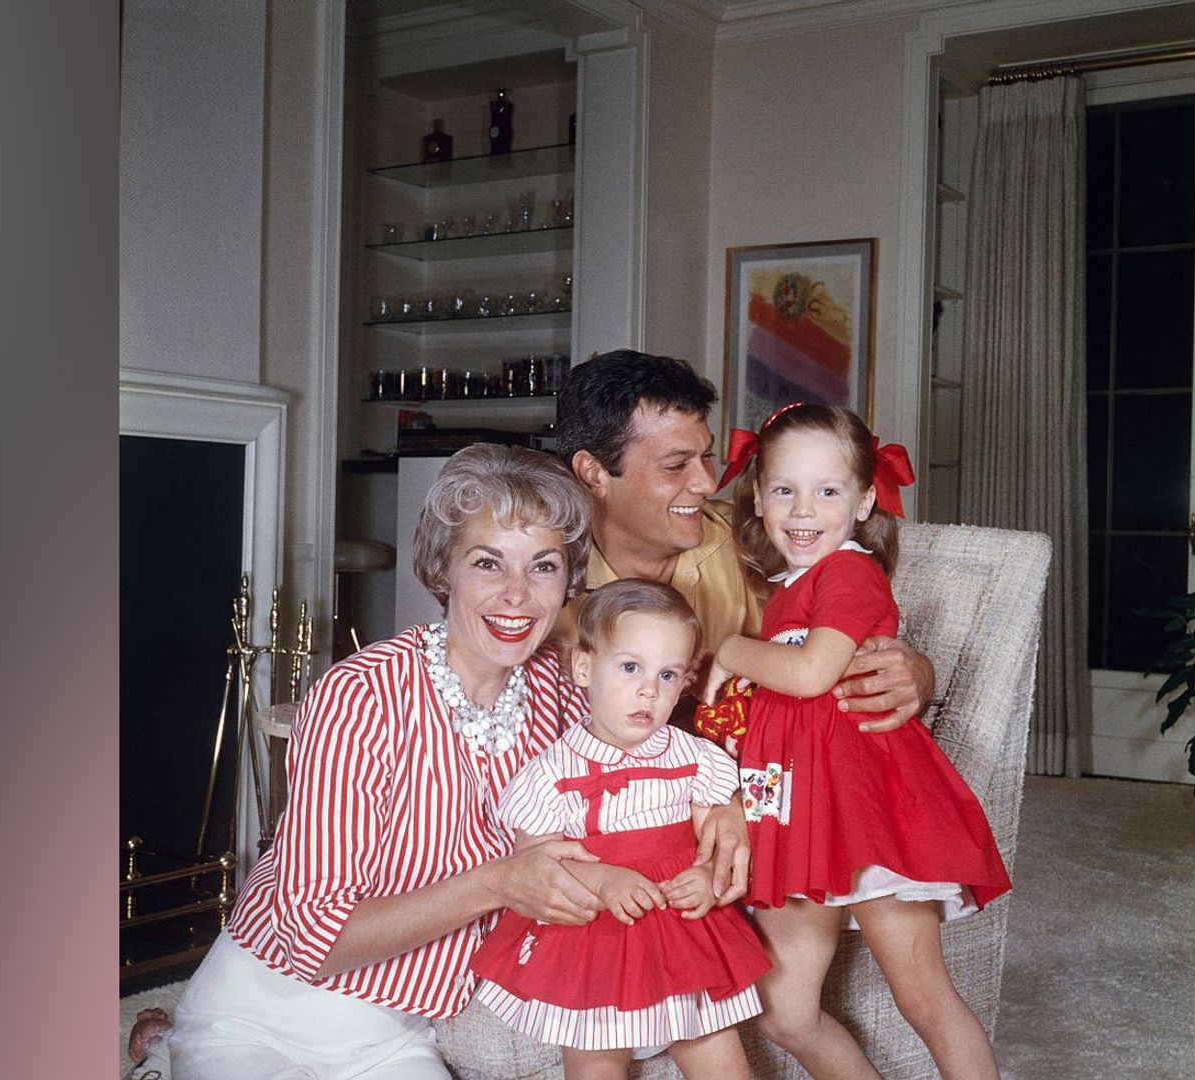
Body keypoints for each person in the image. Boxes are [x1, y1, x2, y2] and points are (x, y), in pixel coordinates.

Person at [150, 444, 610, 1079]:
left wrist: (720, 806)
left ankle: (158, 1047)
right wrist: (499, 882)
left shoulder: (559, 691)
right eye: (487, 562)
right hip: (264, 1015)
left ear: (568, 581)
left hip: (397, 1035)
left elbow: (652, 763)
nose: (517, 594)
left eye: (544, 566)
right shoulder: (358, 697)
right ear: (443, 569)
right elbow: (314, 940)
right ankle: (171, 1045)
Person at [552, 351, 939, 904]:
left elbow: (837, 630)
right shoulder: (547, 592)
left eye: (707, 457)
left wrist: (917, 672)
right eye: (674, 465)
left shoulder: (760, 543)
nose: (707, 482)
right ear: (594, 473)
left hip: (770, 785)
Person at [698, 403, 1012, 1080]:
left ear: (865, 498)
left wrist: (729, 649)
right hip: (794, 812)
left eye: (828, 491)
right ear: (758, 495)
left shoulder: (850, 572)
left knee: (922, 995)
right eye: (784, 489)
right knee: (786, 1014)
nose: (803, 509)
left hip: (870, 811)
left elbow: (812, 675)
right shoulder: (785, 589)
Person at [469, 579, 769, 1079]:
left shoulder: (693, 756)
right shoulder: (552, 772)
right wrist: (605, 880)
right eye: (631, 668)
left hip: (682, 927)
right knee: (596, 1065)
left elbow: (719, 832)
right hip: (593, 938)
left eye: (668, 674)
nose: (649, 690)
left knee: (720, 1059)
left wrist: (708, 874)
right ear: (584, 667)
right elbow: (535, 864)